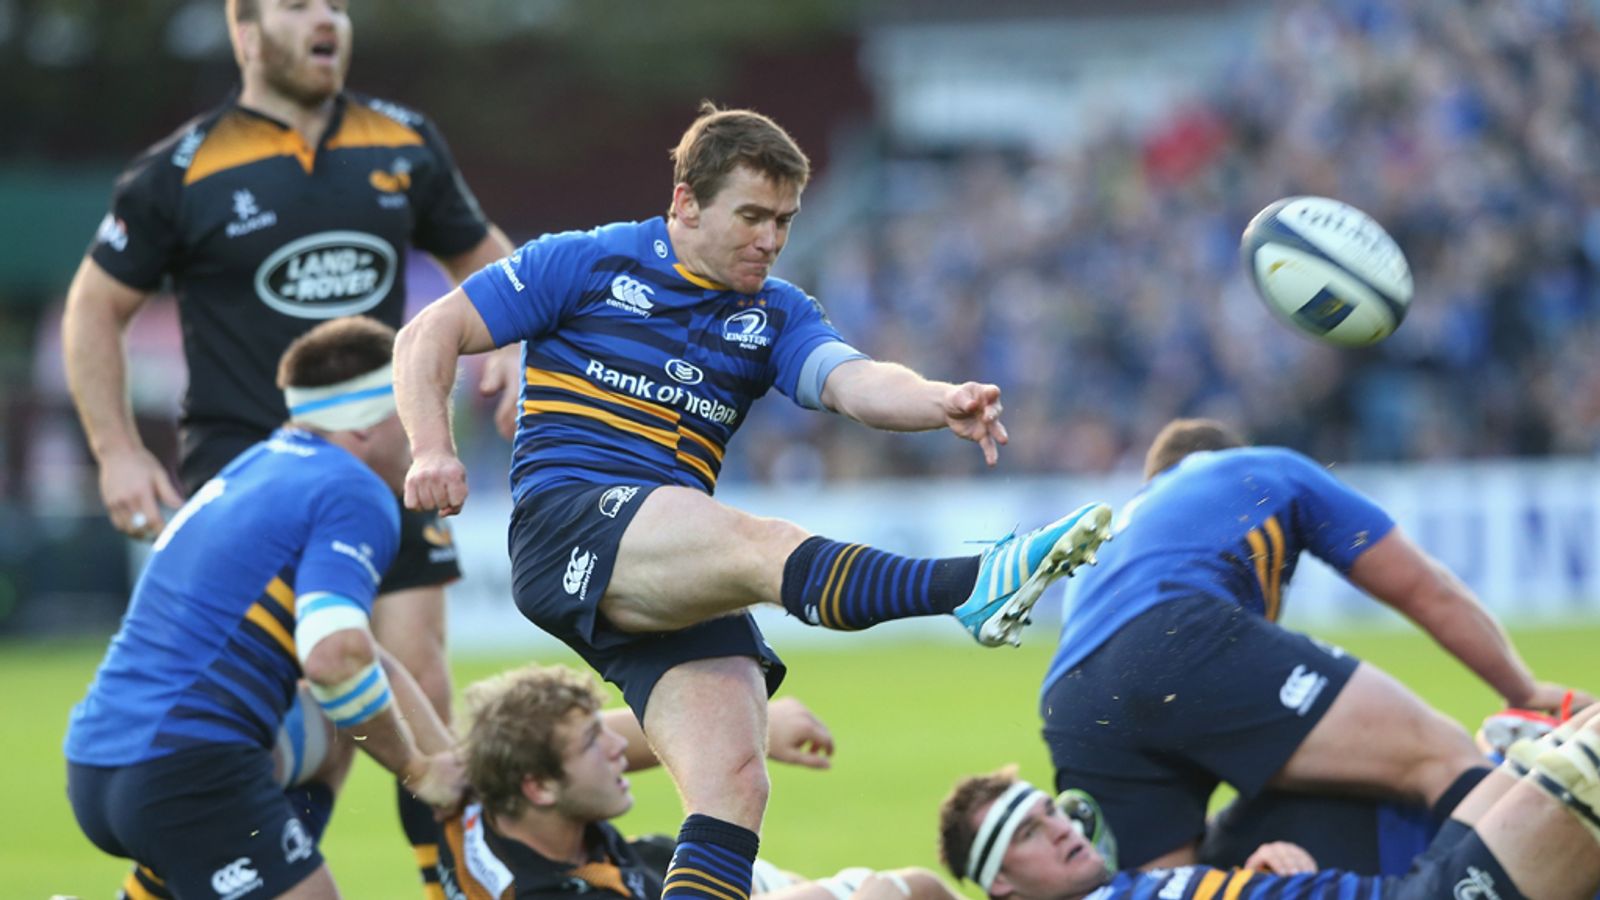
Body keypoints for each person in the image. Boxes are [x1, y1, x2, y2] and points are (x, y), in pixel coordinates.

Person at [392, 102, 1115, 900]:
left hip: (660, 555)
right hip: (571, 523)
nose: (769, 239)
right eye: (752, 216)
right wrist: (432, 447)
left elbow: (851, 379)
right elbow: (428, 333)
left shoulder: (774, 312)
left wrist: (939, 399)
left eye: (785, 220)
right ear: (685, 204)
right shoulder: (584, 263)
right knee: (755, 544)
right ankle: (972, 586)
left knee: (735, 782)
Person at [60, 0, 517, 886]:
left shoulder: (403, 140)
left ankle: (448, 871)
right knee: (292, 693)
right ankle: (224, 866)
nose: (329, 21)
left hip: (380, 457)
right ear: (243, 28)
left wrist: (514, 353)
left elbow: (490, 265)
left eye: (338, 6)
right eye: (301, 4)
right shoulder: (182, 169)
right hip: (245, 464)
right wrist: (115, 448)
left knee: (410, 669)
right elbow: (93, 308)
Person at [1038, 417, 1593, 871]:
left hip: (1071, 701)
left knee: (1176, 888)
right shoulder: (1257, 468)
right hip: (1176, 636)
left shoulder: (1121, 531)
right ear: (1226, 453)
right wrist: (1522, 688)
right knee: (1439, 756)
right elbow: (1428, 590)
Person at [65, 316, 465, 900]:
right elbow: (334, 660)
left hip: (99, 765)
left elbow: (362, 658)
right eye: (419, 404)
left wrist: (452, 772)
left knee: (336, 725)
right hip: (183, 769)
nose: (433, 428)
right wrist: (418, 769)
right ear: (366, 423)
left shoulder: (261, 465)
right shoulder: (352, 489)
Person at [937, 706, 1600, 900]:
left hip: (1401, 886)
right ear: (1002, 886)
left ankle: (1519, 754)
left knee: (1557, 748)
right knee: (1585, 766)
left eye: (1047, 810)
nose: (1057, 828)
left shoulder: (1135, 884)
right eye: (1026, 833)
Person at [442, 661, 962, 900]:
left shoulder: (472, 794)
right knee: (903, 889)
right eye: (591, 745)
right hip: (673, 884)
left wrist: (753, 727)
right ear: (538, 787)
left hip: (650, 862)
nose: (621, 747)